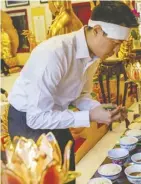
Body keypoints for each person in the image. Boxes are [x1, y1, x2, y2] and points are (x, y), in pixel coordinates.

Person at [7, 1, 138, 184]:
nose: (116, 50)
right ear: (98, 30)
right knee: (43, 178)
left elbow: (80, 95)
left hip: (54, 114)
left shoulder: (94, 54)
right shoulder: (53, 54)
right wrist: (89, 116)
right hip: (27, 122)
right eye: (115, 43)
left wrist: (99, 109)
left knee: (67, 173)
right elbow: (36, 118)